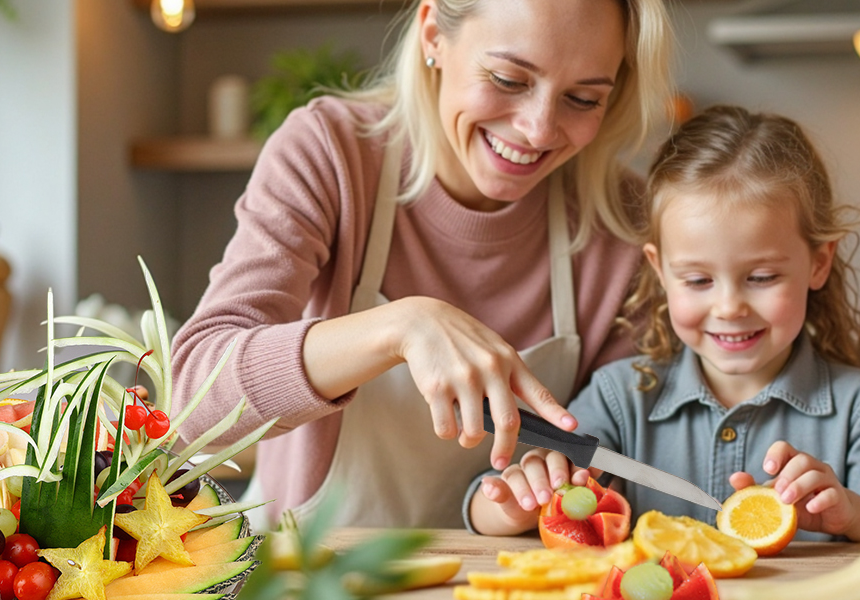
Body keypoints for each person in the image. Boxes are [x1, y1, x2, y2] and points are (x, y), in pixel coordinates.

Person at [170, 0, 675, 530]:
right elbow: (196, 399)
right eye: (508, 79)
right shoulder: (332, 153)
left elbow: (619, 452)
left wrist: (557, 482)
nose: (539, 129)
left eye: (582, 98)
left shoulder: (622, 221)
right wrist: (400, 327)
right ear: (434, 34)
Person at [466, 105, 860, 542]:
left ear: (819, 263)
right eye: (698, 280)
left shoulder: (855, 405)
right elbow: (486, 510)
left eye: (762, 277)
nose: (729, 307)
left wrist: (850, 516)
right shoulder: (621, 397)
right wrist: (518, 504)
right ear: (660, 270)